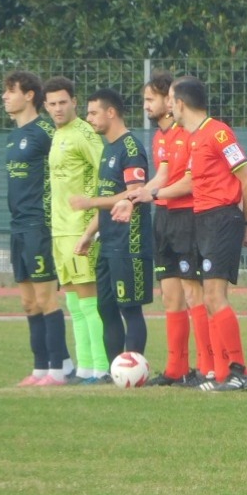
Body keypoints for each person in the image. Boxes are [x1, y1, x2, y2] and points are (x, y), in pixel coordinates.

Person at [139, 76, 247, 392]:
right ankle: (224, 370)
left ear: (178, 103)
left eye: (171, 100)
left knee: (214, 296)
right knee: (208, 297)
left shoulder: (218, 132)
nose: (168, 106)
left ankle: (239, 371)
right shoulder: (193, 138)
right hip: (202, 219)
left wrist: (244, 222)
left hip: (221, 218)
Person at [134, 74, 210, 387]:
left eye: (150, 99)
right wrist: (135, 197)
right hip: (163, 219)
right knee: (169, 297)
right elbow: (163, 175)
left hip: (187, 218)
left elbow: (189, 182)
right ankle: (176, 368)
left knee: (194, 293)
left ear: (170, 101)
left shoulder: (189, 133)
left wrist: (151, 193)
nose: (146, 106)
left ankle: (207, 366)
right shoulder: (161, 137)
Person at [70, 88, 154, 369]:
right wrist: (88, 234)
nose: (88, 118)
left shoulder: (131, 148)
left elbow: (135, 192)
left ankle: (133, 370)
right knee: (105, 308)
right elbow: (109, 199)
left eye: (93, 112)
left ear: (111, 112)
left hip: (129, 243)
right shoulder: (108, 149)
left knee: (129, 308)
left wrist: (89, 202)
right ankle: (114, 370)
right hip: (107, 242)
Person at [3, 71, 72, 386]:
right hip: (18, 226)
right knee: (28, 302)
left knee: (46, 299)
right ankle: (40, 369)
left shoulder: (46, 130)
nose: (5, 97)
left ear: (29, 95)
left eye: (10, 91)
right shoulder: (12, 135)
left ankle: (58, 370)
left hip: (38, 226)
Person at [44, 76, 108, 383]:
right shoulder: (58, 134)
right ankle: (84, 366)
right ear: (45, 106)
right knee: (74, 303)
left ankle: (101, 366)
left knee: (89, 301)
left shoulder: (84, 133)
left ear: (74, 103)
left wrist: (94, 224)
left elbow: (106, 173)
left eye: (63, 103)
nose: (58, 108)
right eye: (52, 104)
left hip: (81, 229)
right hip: (60, 229)